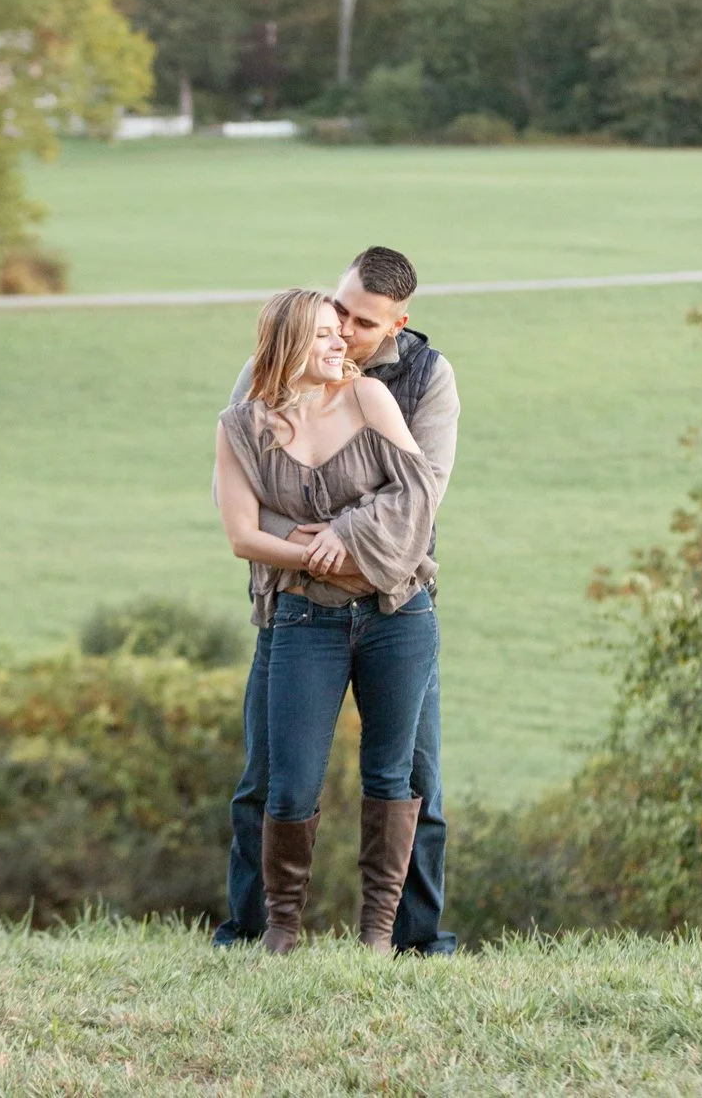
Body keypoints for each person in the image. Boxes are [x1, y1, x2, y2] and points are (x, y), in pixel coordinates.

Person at [213, 246, 460, 955]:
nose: (345, 331)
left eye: (361, 323)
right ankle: (254, 930)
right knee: (269, 778)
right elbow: (247, 498)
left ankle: (412, 941)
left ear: (397, 323)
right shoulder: (260, 386)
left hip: (395, 596)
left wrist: (345, 535)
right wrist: (306, 550)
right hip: (293, 606)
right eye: (337, 312)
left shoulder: (420, 381)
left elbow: (424, 489)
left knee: (415, 779)